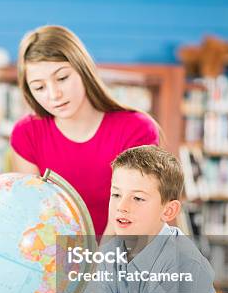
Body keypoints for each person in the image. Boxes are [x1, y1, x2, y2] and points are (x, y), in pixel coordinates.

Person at [65, 145, 228, 293]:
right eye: (116, 195)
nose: (122, 206)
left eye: (138, 198)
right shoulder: (107, 256)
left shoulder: (184, 264)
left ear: (168, 211)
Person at [10, 25, 159, 237]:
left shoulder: (137, 129)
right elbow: (33, 216)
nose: (54, 95)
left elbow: (129, 217)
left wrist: (96, 265)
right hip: (55, 261)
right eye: (39, 87)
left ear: (83, 69)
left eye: (62, 78)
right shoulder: (27, 134)